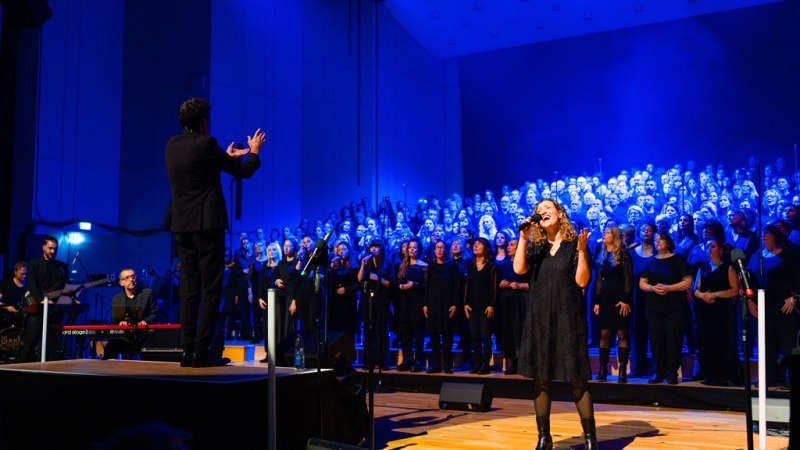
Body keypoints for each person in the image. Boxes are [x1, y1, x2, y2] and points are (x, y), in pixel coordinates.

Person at [164, 97, 266, 367]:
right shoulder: (207, 144)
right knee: (211, 289)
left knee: (189, 288)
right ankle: (202, 352)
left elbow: (198, 170)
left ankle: (186, 351)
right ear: (202, 121)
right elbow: (244, 172)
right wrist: (254, 151)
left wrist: (224, 157)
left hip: (181, 225)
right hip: (207, 225)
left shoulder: (172, 146)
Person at [514, 199, 596, 449]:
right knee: (540, 378)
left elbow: (582, 282)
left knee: (577, 379)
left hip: (567, 319)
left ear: (560, 213)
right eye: (539, 211)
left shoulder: (575, 245)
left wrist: (582, 252)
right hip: (539, 319)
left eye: (547, 209)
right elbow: (518, 269)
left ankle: (591, 438)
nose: (542, 213)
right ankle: (544, 437)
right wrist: (523, 239)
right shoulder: (536, 246)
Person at [746, 224, 800, 388]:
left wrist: (794, 297)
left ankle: (791, 379)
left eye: (767, 233)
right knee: (767, 342)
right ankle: (771, 377)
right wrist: (750, 300)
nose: (764, 236)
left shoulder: (789, 254)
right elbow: (749, 280)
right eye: (762, 234)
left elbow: (797, 277)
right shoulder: (757, 256)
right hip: (764, 304)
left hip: (785, 304)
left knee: (788, 342)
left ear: (776, 236)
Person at [639, 232, 692, 384]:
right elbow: (642, 283)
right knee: (656, 340)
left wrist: (669, 288)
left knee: (673, 340)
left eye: (661, 239)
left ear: (668, 242)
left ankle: (672, 373)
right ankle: (658, 372)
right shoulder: (650, 262)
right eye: (656, 240)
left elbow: (687, 282)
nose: (658, 242)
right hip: (655, 307)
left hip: (674, 306)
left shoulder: (678, 260)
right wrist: (653, 288)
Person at [692, 238, 741, 386]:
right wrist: (703, 296)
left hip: (722, 311)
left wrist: (714, 294)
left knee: (723, 340)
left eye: (713, 246)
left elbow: (734, 290)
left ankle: (724, 375)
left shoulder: (728, 268)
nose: (709, 249)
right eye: (708, 247)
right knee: (707, 341)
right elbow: (695, 290)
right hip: (706, 311)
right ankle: (709, 374)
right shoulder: (703, 268)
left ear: (720, 250)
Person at [592, 227, 633, 383]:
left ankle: (622, 370)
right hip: (606, 300)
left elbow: (628, 279)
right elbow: (599, 282)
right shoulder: (603, 256)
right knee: (604, 334)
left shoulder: (624, 256)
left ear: (615, 236)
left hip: (621, 300)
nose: (604, 234)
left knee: (622, 334)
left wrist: (626, 299)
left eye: (608, 232)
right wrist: (596, 301)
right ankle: (603, 369)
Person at [22, 236, 69, 362]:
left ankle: (49, 371)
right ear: (43, 247)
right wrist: (41, 299)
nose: (53, 252)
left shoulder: (62, 267)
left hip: (54, 310)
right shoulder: (34, 263)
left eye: (55, 249)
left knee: (52, 344)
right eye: (50, 248)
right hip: (38, 309)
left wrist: (72, 298)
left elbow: (65, 287)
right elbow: (31, 284)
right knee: (30, 342)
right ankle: (21, 368)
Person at [103, 268, 159, 360]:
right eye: (127, 278)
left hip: (143, 337)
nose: (131, 279)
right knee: (110, 347)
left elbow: (155, 314)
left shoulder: (147, 293)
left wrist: (145, 321)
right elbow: (114, 320)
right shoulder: (116, 298)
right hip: (124, 338)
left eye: (133, 277)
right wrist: (121, 323)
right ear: (121, 283)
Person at [423, 240, 459, 374]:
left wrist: (455, 304)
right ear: (434, 250)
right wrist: (425, 304)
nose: (439, 250)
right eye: (437, 247)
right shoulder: (431, 267)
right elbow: (427, 287)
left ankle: (447, 365)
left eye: (442, 247)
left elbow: (457, 287)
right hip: (433, 305)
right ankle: (436, 365)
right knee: (434, 337)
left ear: (446, 250)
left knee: (447, 336)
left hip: (448, 305)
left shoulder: (452, 266)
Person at [358, 240, 393, 370]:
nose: (373, 249)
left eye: (376, 247)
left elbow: (391, 284)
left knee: (381, 332)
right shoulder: (367, 263)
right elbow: (360, 279)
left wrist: (378, 279)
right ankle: (368, 361)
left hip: (382, 300)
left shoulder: (387, 263)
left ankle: (383, 361)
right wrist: (362, 265)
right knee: (368, 331)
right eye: (372, 247)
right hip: (368, 300)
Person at [464, 237, 497, 375]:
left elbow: (493, 287)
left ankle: (486, 364)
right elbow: (467, 286)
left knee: (485, 335)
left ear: (486, 248)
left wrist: (491, 305)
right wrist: (465, 303)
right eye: (475, 244)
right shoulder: (470, 266)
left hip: (485, 306)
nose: (475, 246)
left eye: (479, 244)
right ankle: (477, 363)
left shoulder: (491, 267)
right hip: (472, 306)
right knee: (474, 336)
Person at [395, 238, 428, 372]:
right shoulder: (402, 265)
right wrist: (401, 287)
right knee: (405, 332)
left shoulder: (424, 265)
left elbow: (427, 285)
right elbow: (397, 282)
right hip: (404, 301)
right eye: (410, 247)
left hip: (417, 301)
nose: (412, 249)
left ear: (419, 250)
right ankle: (407, 359)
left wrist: (413, 285)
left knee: (417, 332)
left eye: (414, 247)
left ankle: (418, 360)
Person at [498, 237, 529, 375]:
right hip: (508, 303)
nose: (508, 247)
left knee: (521, 331)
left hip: (522, 301)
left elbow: (535, 284)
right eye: (508, 245)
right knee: (510, 332)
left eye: (512, 245)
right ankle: (514, 363)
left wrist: (519, 285)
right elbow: (499, 282)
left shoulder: (528, 264)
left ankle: (524, 364)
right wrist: (501, 284)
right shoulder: (504, 264)